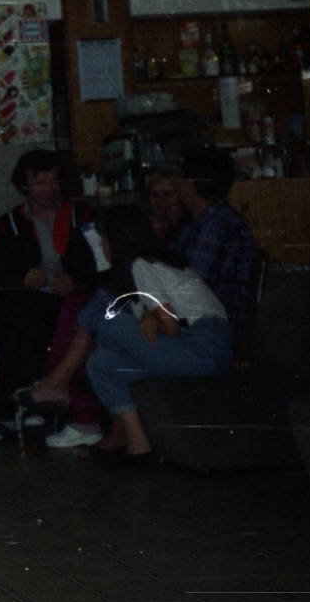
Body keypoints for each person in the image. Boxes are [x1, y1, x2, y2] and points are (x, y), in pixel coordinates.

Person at [27, 205, 230, 462]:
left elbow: (170, 324)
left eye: (104, 238)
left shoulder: (141, 265)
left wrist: (148, 317)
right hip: (202, 349)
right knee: (102, 364)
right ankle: (138, 445)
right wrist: (146, 318)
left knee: (107, 321)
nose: (101, 245)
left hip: (202, 347)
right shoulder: (156, 262)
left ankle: (59, 385)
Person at [0, 149, 99, 443]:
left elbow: (102, 263)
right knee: (18, 315)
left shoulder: (82, 215)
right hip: (30, 301)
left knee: (31, 319)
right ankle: (9, 413)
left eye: (54, 182)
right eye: (41, 183)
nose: (49, 190)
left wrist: (76, 280)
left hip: (72, 300)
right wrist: (22, 276)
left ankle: (24, 407)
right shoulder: (7, 224)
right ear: (25, 186)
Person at [168, 145, 257, 326]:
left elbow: (192, 283)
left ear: (190, 185)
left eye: (178, 177)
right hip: (200, 319)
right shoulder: (196, 221)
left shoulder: (217, 222)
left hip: (216, 325)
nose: (173, 183)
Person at [145, 167, 186, 244]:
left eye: (167, 194)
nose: (160, 200)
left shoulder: (190, 229)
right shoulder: (147, 226)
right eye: (154, 194)